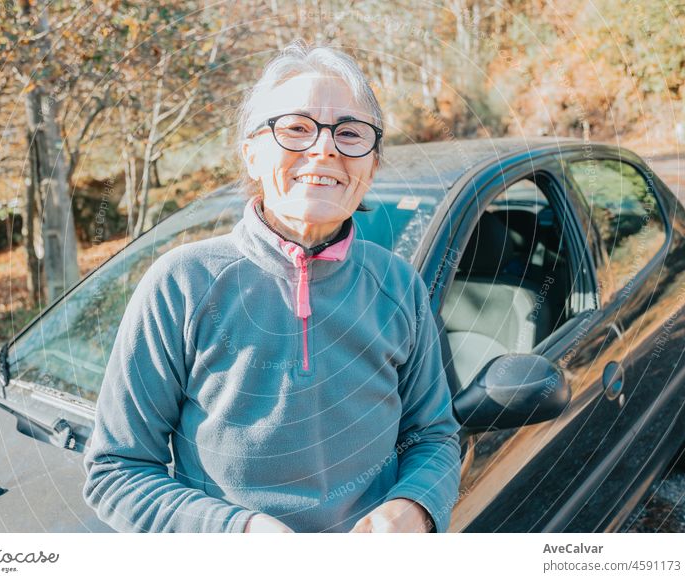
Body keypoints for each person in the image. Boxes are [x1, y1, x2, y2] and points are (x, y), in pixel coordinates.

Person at [82, 40, 462, 533]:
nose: (324, 148)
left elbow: (433, 435)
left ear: (371, 165)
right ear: (252, 155)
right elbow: (117, 471)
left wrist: (416, 506)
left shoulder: (397, 286)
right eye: (297, 129)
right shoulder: (181, 284)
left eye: (349, 133)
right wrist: (236, 534)